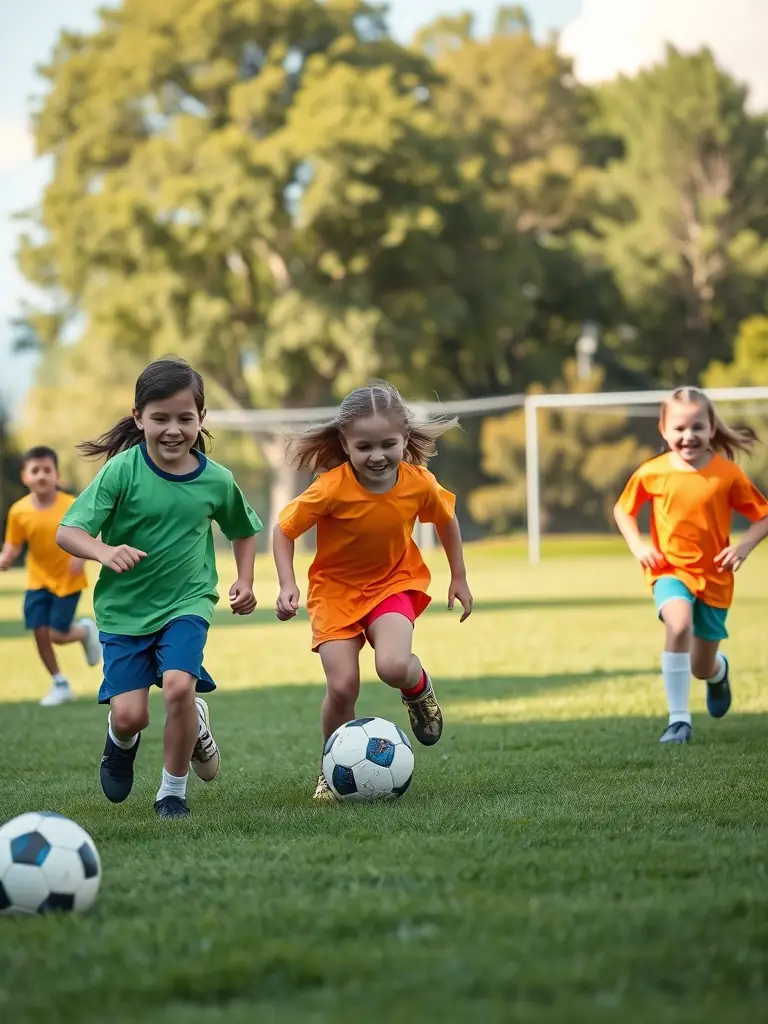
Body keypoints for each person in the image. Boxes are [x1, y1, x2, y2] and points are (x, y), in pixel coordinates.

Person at [56, 358, 263, 818]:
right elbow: (67, 532)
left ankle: (172, 791)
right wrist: (104, 552)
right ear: (138, 418)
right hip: (125, 610)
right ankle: (122, 738)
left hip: (187, 602)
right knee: (133, 714)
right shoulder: (122, 472)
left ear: (201, 419)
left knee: (176, 687)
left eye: (185, 418)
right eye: (160, 418)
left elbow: (243, 529)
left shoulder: (217, 479)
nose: (173, 430)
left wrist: (244, 580)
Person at [272, 380, 473, 800]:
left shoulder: (419, 483)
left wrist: (459, 576)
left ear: (404, 439)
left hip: (392, 582)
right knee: (343, 687)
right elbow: (283, 530)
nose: (377, 456)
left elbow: (447, 520)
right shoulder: (330, 488)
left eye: (388, 444)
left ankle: (418, 691)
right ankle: (331, 768)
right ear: (344, 444)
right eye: (365, 446)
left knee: (394, 666)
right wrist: (287, 584)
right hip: (334, 594)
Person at [614, 386, 768, 744]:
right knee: (678, 624)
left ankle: (718, 672)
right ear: (663, 429)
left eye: (697, 427)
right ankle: (679, 721)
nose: (688, 436)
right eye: (679, 429)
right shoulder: (651, 473)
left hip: (715, 578)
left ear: (712, 428)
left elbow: (763, 516)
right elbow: (623, 509)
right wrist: (638, 545)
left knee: (701, 666)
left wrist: (744, 546)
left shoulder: (727, 474)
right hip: (668, 570)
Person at [0, 446, 101, 706]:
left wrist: (80, 557)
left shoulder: (70, 505)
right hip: (37, 581)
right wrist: (7, 557)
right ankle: (59, 682)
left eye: (47, 470)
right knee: (39, 630)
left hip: (68, 581)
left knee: (57, 633)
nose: (42, 476)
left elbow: (90, 532)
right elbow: (13, 544)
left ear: (57, 475)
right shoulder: (19, 511)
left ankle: (85, 631)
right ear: (25, 476)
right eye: (35, 471)